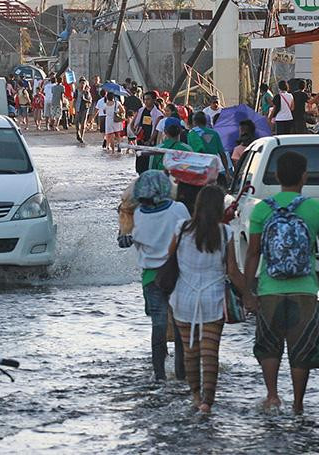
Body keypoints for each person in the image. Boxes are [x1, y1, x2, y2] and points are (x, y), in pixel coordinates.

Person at [243, 151, 319, 414]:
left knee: (268, 346)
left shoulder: (262, 209)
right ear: (304, 176)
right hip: (305, 290)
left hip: (269, 289)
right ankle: (298, 405)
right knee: (302, 349)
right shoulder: (316, 209)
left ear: (277, 177)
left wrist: (247, 292)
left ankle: (272, 396)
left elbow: (253, 253)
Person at [168, 185, 249, 412]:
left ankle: (195, 395)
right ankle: (207, 402)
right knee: (210, 353)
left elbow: (169, 258)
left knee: (190, 352)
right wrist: (249, 295)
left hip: (183, 297)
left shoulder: (182, 228)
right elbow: (232, 271)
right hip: (213, 299)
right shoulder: (226, 233)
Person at [131, 170, 188, 382]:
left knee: (159, 324)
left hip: (151, 279)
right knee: (181, 325)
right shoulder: (179, 209)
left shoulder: (138, 213)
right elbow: (188, 236)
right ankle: (181, 373)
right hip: (177, 274)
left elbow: (138, 244)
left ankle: (159, 375)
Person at [187, 111, 229, 183]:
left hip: (197, 167)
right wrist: (227, 171)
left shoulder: (191, 134)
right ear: (206, 122)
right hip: (212, 167)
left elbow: (190, 152)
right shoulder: (214, 133)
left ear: (194, 122)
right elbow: (222, 154)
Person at [130, 93, 165, 173]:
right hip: (140, 141)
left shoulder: (158, 114)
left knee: (148, 164)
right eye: (145, 99)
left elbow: (156, 129)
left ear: (153, 100)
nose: (146, 101)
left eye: (148, 99)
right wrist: (135, 133)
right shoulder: (141, 111)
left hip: (150, 143)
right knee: (139, 164)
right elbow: (132, 124)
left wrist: (150, 141)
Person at [74, 77, 93, 143]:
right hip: (77, 108)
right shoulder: (76, 91)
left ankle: (81, 137)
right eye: (81, 83)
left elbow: (90, 101)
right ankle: (77, 133)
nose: (82, 85)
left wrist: (85, 99)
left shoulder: (87, 92)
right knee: (76, 122)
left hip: (84, 108)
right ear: (79, 84)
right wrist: (74, 108)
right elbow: (74, 100)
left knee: (83, 123)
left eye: (84, 83)